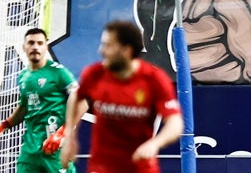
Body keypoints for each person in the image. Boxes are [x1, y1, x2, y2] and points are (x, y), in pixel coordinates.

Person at [62, 20, 182, 173]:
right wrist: (70, 135)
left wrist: (155, 143)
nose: (101, 51)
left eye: (108, 45)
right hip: (102, 166)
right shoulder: (95, 74)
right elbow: (77, 97)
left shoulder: (154, 80)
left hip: (140, 166)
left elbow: (175, 124)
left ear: (126, 50)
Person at [0, 27, 78, 173]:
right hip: (30, 151)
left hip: (54, 148)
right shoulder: (23, 76)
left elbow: (79, 97)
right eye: (31, 43)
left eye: (40, 43)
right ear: (24, 47)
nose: (35, 47)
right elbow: (23, 107)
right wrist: (2, 127)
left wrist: (62, 133)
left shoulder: (59, 72)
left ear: (45, 47)